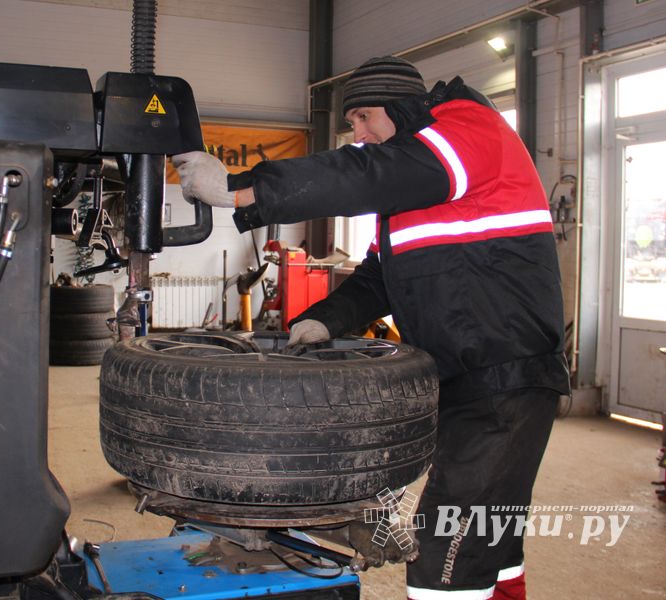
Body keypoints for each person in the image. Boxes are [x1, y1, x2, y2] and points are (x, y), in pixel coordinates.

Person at [173, 55, 569, 600]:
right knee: (489, 544)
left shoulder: (466, 128)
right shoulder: (416, 194)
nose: (358, 134)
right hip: (464, 377)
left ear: (402, 107)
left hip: (504, 378)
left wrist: (242, 188)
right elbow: (379, 276)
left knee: (445, 558)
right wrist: (322, 319)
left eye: (363, 117)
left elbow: (367, 172)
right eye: (351, 123)